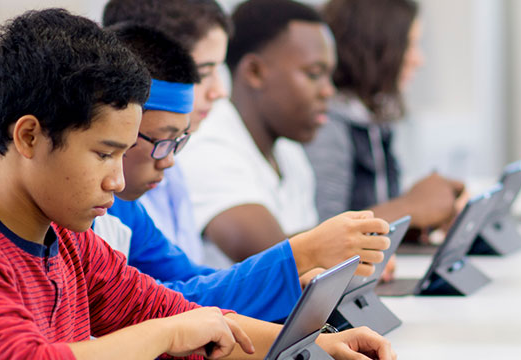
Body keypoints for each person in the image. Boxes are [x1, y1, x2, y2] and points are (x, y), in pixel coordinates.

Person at [0, 9, 394, 358]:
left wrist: (319, 345)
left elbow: (174, 311)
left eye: (125, 154)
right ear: (28, 136)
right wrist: (167, 336)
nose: (118, 178)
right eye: (104, 153)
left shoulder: (71, 244)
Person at [93, 23, 390, 322]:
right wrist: (300, 255)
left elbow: (185, 284)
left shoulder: (126, 207)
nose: (169, 161)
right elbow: (163, 308)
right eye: (161, 140)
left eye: (179, 142)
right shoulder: (93, 213)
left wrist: (288, 282)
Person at [177, 0, 349, 265]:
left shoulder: (288, 150)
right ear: (255, 72)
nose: (328, 91)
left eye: (329, 76)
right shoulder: (206, 144)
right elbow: (276, 260)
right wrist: (403, 211)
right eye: (314, 74)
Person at [305, 0, 465, 235]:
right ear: (375, 46)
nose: (419, 60)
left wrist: (425, 217)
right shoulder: (327, 126)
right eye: (409, 45)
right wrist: (410, 207)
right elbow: (322, 235)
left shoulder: (374, 120)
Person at [102, 0, 231, 263]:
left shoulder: (164, 166)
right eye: (204, 72)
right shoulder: (115, 193)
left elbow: (180, 279)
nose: (220, 91)